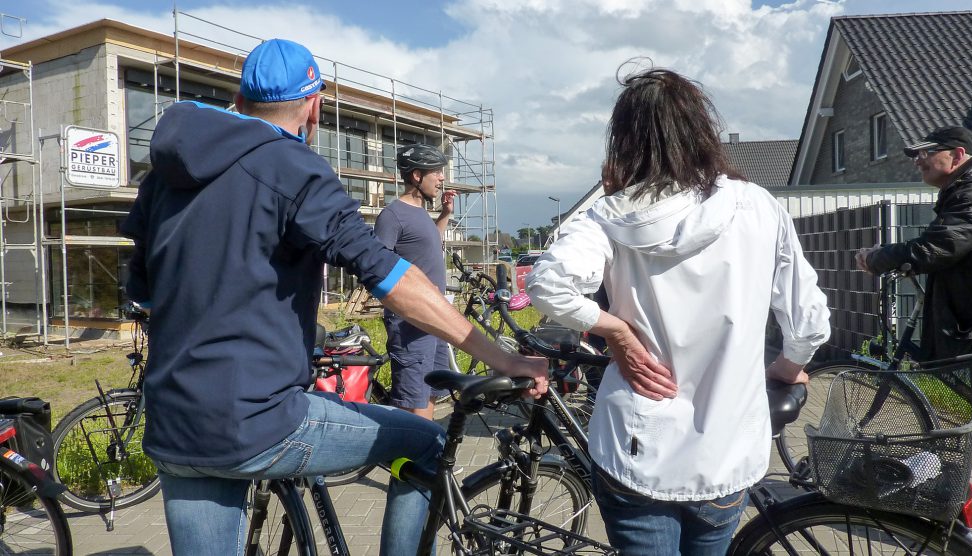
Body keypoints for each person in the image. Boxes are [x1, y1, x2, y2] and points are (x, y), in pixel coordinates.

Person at [120, 38, 547, 555]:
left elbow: (142, 290)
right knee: (426, 442)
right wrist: (502, 357)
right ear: (314, 102)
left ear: (241, 98)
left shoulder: (162, 177)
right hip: (259, 423)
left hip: (173, 425)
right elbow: (389, 278)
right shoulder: (292, 167)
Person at [525, 66, 831, 556]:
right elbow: (809, 319)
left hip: (636, 445)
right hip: (727, 452)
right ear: (699, 129)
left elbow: (547, 287)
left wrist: (615, 332)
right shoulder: (757, 205)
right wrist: (788, 366)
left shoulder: (607, 214)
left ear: (625, 140)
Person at [856, 125, 972, 459]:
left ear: (958, 156)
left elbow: (945, 243)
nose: (919, 160)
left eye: (927, 152)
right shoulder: (966, 190)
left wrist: (881, 258)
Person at [375, 144, 456, 420]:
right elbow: (377, 267)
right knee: (412, 399)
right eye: (437, 172)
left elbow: (428, 246)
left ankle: (428, 457)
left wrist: (444, 215)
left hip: (435, 319)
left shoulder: (421, 212)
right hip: (411, 323)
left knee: (430, 390)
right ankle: (410, 460)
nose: (442, 178)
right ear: (417, 176)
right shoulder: (392, 215)